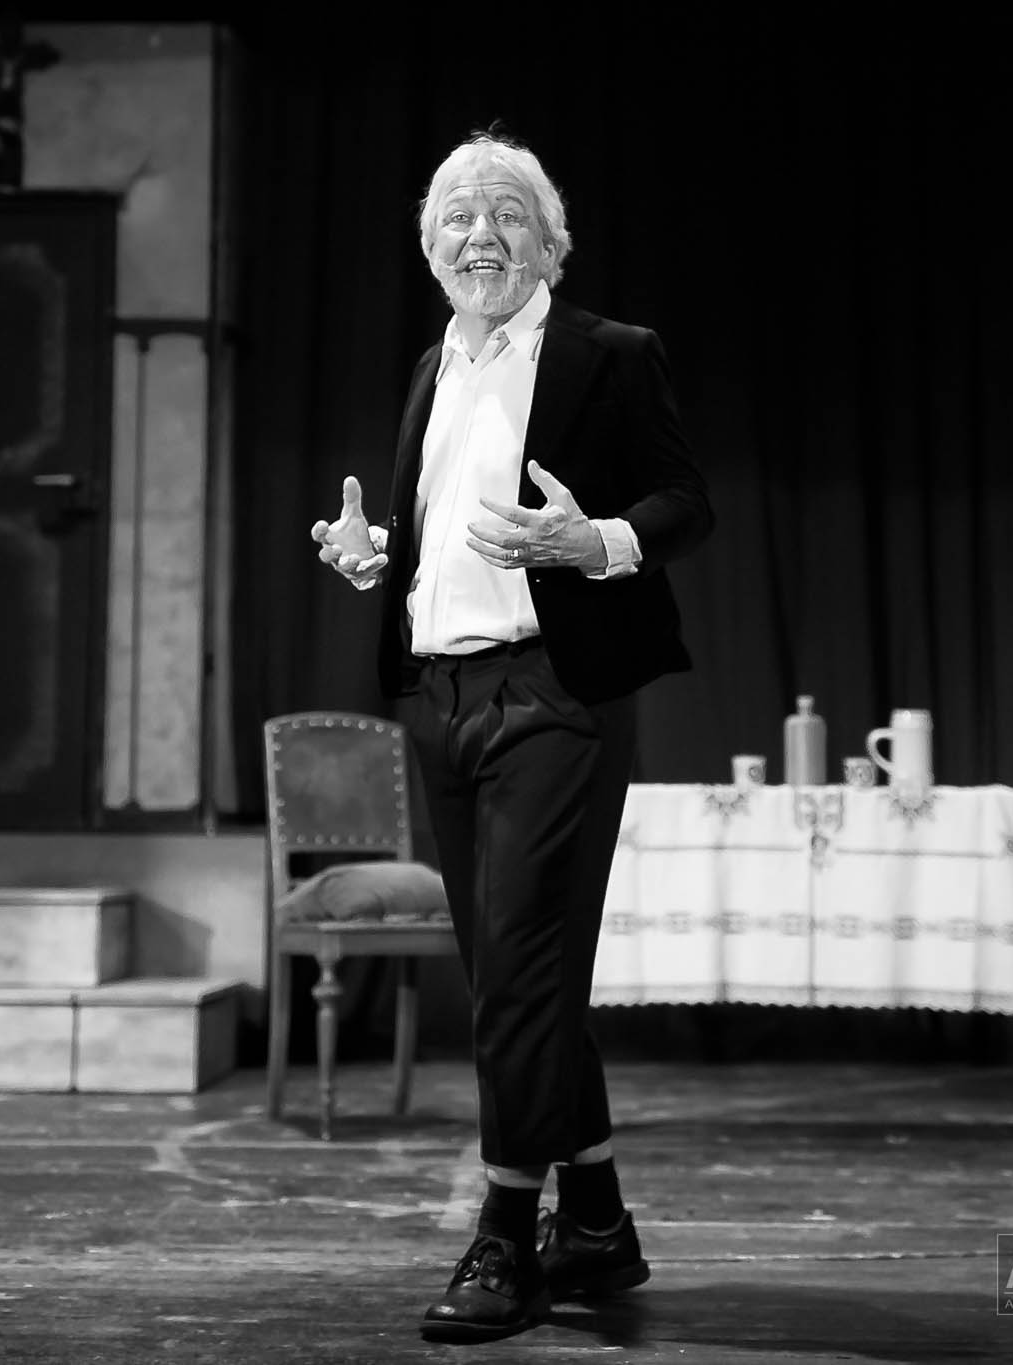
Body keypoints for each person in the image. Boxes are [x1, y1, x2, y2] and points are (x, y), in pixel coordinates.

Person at [310, 133, 713, 1342]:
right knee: (509, 980)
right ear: (428, 248)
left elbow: (685, 501)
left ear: (549, 242)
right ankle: (593, 1220)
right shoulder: (431, 367)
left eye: (505, 214)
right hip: (440, 700)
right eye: (455, 217)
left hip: (555, 695)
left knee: (521, 975)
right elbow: (438, 531)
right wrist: (381, 557)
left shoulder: (609, 356)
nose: (479, 234)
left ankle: (502, 1233)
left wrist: (594, 543)